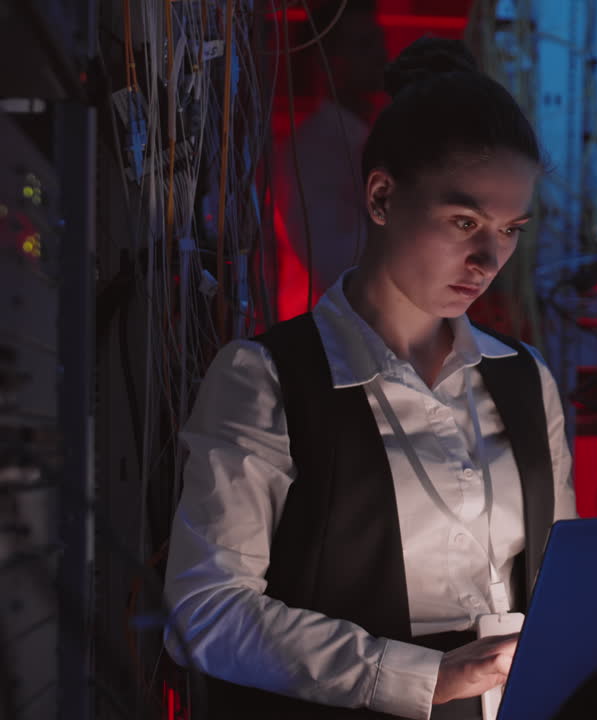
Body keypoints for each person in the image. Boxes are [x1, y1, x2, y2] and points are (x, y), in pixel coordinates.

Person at [165, 36, 575, 720]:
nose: (488, 257)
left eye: (510, 229)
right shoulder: (266, 378)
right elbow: (204, 611)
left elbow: (565, 588)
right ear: (381, 197)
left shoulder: (525, 378)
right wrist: (421, 679)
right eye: (464, 220)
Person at [271, 0, 387, 319]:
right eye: (363, 45)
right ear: (326, 62)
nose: (381, 56)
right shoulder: (308, 152)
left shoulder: (370, 140)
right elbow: (339, 267)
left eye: (378, 40)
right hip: (325, 345)